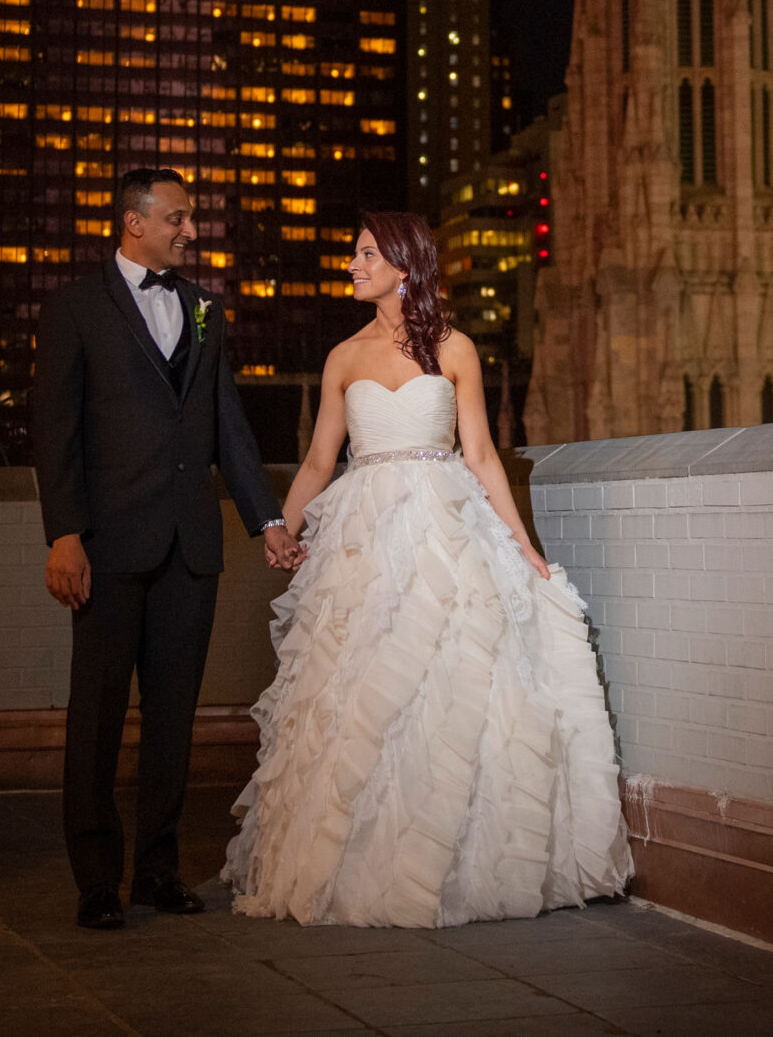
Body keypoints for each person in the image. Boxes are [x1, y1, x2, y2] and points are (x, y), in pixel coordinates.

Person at [222, 210, 632, 926]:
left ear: (404, 264)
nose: (353, 264)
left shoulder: (456, 348)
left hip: (446, 526)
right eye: (355, 254)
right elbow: (319, 460)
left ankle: (457, 857)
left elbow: (481, 455)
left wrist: (523, 544)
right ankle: (362, 861)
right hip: (365, 538)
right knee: (364, 690)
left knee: (454, 681)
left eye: (366, 254)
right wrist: (281, 526)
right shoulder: (343, 356)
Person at [31, 167, 296, 931]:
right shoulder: (76, 307)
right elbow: (55, 428)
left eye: (191, 217)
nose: (190, 230)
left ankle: (156, 869)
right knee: (97, 713)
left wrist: (267, 519)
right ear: (134, 221)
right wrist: (64, 532)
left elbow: (227, 423)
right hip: (107, 543)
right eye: (178, 217)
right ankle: (95, 879)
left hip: (190, 544)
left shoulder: (206, 310)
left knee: (173, 715)